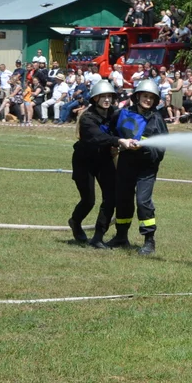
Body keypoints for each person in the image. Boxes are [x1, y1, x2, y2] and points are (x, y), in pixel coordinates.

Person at [69, 80, 136, 248]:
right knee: (88, 200)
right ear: (95, 98)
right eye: (103, 96)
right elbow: (98, 138)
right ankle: (75, 222)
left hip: (104, 160)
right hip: (84, 162)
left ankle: (98, 236)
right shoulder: (87, 118)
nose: (107, 99)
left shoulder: (115, 113)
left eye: (109, 96)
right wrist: (119, 140)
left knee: (111, 198)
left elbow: (128, 121)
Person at [107, 79, 168, 255]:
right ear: (137, 96)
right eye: (145, 96)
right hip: (126, 164)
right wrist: (116, 144)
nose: (147, 100)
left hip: (146, 168)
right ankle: (121, 236)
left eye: (151, 98)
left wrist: (145, 148)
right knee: (123, 200)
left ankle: (149, 241)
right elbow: (112, 133)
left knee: (143, 202)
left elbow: (161, 148)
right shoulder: (123, 114)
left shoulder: (156, 119)